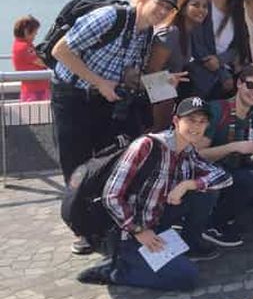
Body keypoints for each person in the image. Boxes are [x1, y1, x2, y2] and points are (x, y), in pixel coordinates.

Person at [51, 0, 182, 255]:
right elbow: (61, 51)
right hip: (72, 96)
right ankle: (81, 229)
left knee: (104, 161)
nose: (163, 10)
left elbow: (128, 76)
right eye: (159, 3)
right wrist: (99, 82)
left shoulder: (145, 35)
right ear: (144, 0)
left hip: (103, 100)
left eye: (168, 8)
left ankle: (99, 221)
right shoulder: (110, 16)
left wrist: (162, 80)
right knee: (75, 164)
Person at [77, 97, 233, 289]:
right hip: (127, 230)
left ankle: (186, 244)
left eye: (202, 122)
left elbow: (224, 177)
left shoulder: (188, 151)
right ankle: (115, 270)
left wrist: (187, 184)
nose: (196, 127)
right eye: (191, 120)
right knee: (187, 276)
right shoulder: (147, 146)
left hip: (157, 221)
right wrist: (139, 230)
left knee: (206, 191)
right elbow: (111, 196)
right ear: (176, 121)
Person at [196, 65, 253, 247]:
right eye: (250, 85)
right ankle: (211, 225)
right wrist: (233, 147)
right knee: (249, 179)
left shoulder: (252, 118)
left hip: (231, 173)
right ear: (239, 84)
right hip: (205, 177)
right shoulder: (217, 110)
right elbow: (197, 155)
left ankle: (224, 217)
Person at [147, 0, 210, 129]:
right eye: (195, 5)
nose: (202, 10)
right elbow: (152, 70)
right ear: (182, 8)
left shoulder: (187, 33)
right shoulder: (171, 32)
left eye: (205, 6)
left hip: (169, 93)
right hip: (157, 96)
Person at [189, 0, 252, 101]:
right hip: (200, 71)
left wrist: (220, 61)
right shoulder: (203, 2)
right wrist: (221, 73)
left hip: (224, 69)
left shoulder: (237, 9)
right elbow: (196, 43)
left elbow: (237, 45)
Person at [11, 14, 50, 101]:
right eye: (34, 33)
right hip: (36, 90)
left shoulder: (18, 44)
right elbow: (41, 62)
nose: (35, 36)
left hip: (31, 87)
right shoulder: (25, 47)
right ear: (26, 31)